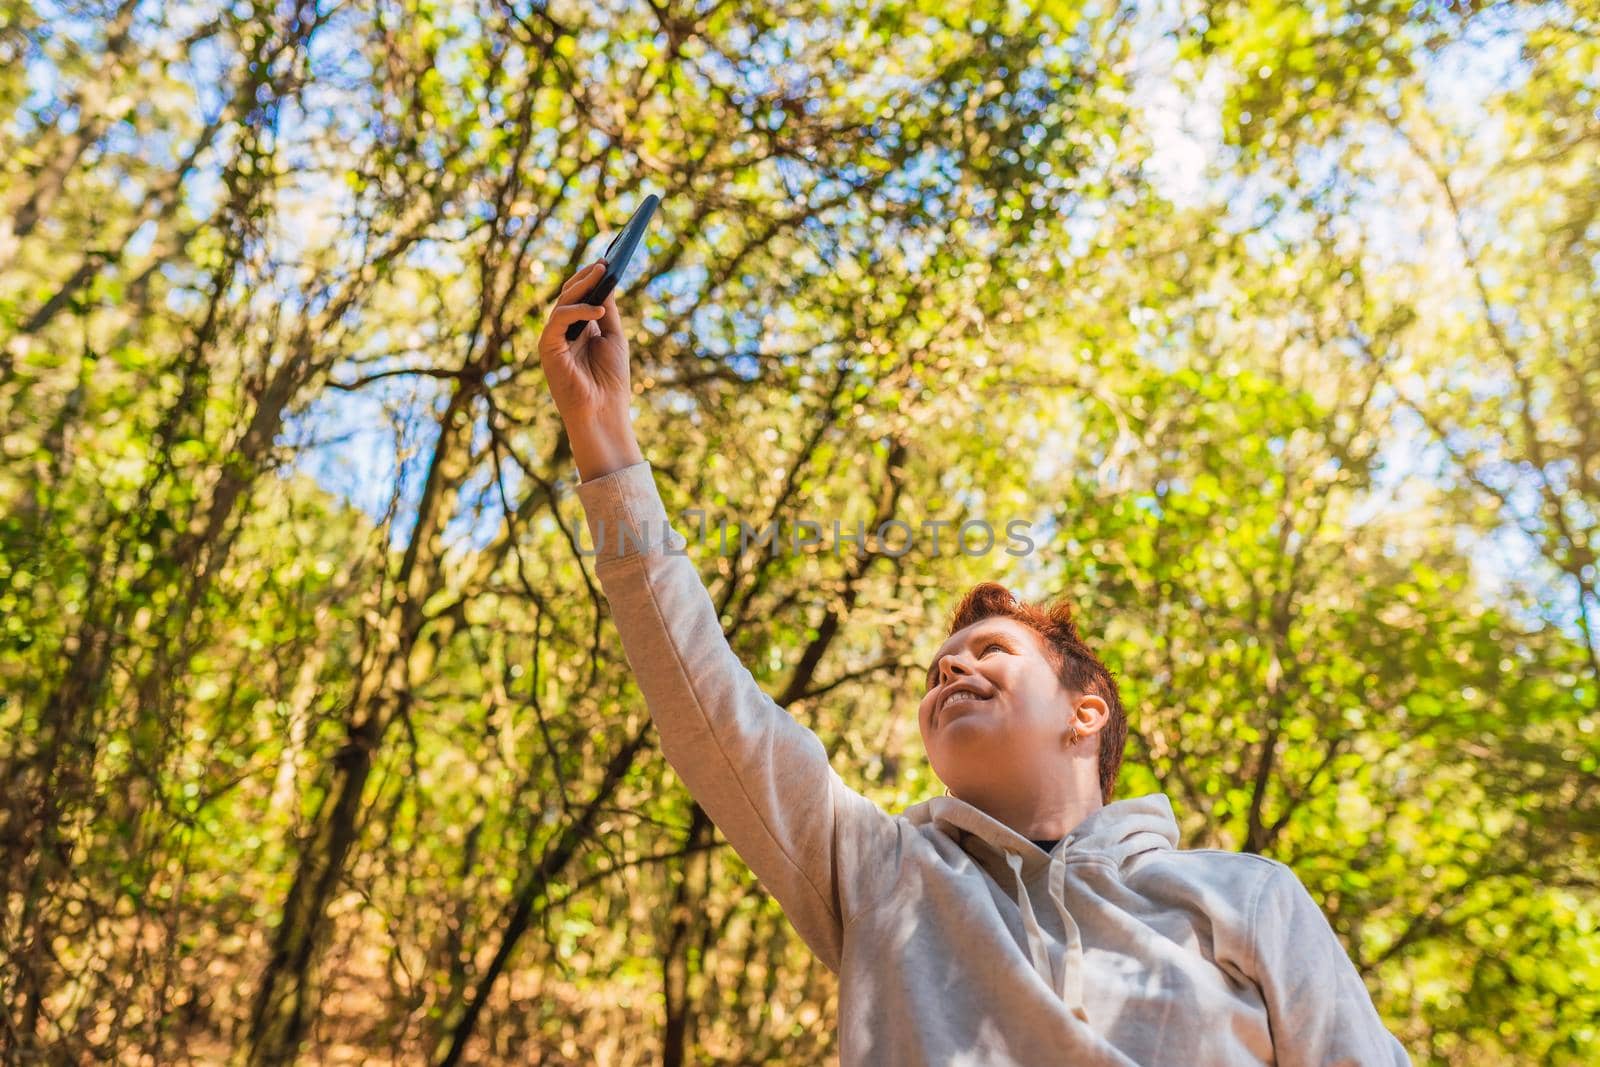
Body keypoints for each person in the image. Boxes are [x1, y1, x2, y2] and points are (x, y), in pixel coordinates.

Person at [537, 257, 1411, 1066]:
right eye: (935, 671)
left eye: (989, 651)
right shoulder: (882, 872)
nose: (949, 672)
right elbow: (708, 703)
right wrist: (602, 429)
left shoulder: (1243, 896)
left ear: (1085, 711)